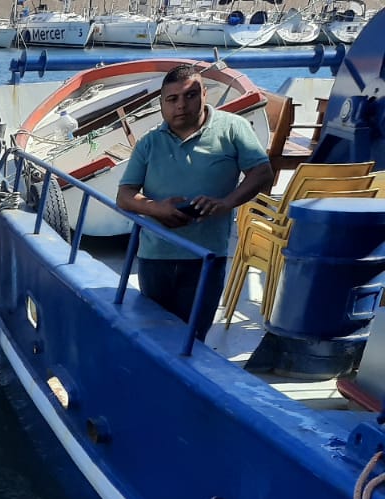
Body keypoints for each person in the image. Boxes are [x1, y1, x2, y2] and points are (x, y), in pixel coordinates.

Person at [115, 64, 274, 341]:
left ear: (204, 95)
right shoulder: (149, 143)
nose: (181, 105)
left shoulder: (233, 129)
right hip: (155, 258)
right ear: (162, 104)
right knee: (154, 336)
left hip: (206, 258)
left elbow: (262, 173)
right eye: (172, 99)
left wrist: (226, 203)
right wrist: (156, 208)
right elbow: (125, 195)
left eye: (190, 95)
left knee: (193, 339)